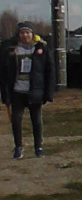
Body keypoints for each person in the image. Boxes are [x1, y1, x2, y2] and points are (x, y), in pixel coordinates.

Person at [1, 22, 54, 158]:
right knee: (16, 120)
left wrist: (48, 93)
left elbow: (49, 70)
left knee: (36, 120)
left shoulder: (41, 48)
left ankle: (38, 147)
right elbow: (4, 72)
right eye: (22, 33)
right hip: (17, 91)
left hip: (35, 91)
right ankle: (18, 147)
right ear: (18, 35)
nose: (25, 35)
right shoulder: (12, 49)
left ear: (32, 34)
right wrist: (5, 94)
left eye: (28, 32)